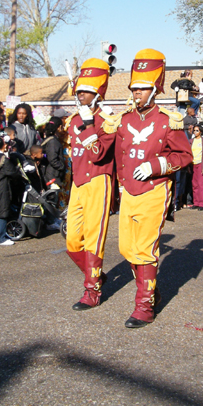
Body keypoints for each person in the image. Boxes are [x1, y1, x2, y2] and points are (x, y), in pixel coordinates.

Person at [106, 48, 192, 328]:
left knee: (144, 249)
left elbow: (184, 156)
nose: (137, 93)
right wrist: (120, 183)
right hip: (129, 190)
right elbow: (119, 155)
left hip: (155, 189)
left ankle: (144, 306)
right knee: (127, 248)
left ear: (155, 89)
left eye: (143, 88)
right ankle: (149, 288)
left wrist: (157, 166)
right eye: (134, 89)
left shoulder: (169, 120)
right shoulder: (125, 119)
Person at [63, 58, 117, 310]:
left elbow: (97, 153)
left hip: (98, 180)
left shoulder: (107, 120)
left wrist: (88, 124)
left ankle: (92, 291)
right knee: (72, 241)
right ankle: (95, 275)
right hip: (78, 183)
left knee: (94, 238)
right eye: (80, 90)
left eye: (87, 91)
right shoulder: (73, 119)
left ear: (98, 94)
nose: (81, 95)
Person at [40, 116, 67, 189]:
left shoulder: (49, 139)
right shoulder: (53, 142)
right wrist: (62, 167)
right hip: (52, 175)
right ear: (59, 127)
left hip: (50, 174)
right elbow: (52, 159)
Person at [190, 123, 203, 210]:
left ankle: (201, 203)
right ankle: (196, 202)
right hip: (192, 164)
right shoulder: (191, 141)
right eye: (194, 130)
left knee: (201, 184)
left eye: (197, 130)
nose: (195, 132)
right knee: (194, 184)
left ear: (201, 132)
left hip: (201, 164)